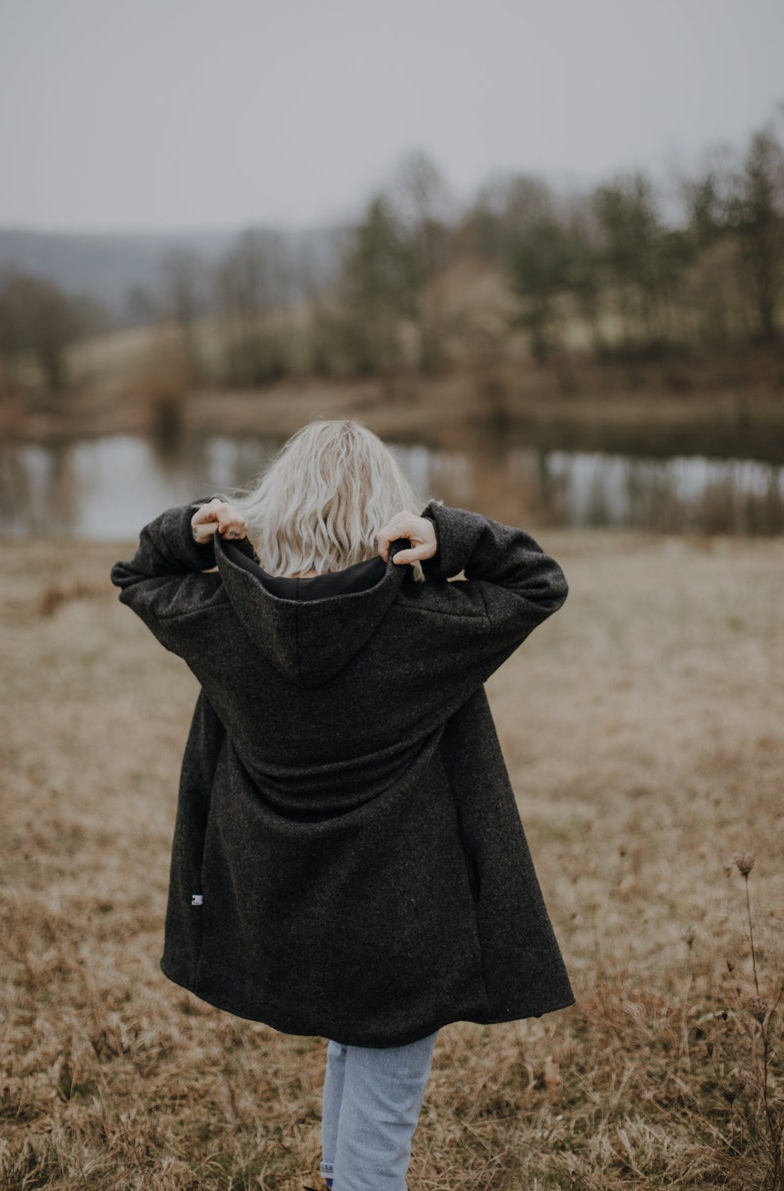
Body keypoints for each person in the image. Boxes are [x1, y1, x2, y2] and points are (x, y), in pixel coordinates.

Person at [111, 419, 573, 1191]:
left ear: (275, 506)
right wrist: (446, 534)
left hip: (282, 908)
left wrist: (188, 533)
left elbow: (137, 575)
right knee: (381, 1125)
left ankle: (335, 1177)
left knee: (354, 1044)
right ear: (386, 510)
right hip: (404, 922)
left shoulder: (219, 616)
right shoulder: (428, 625)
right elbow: (539, 580)